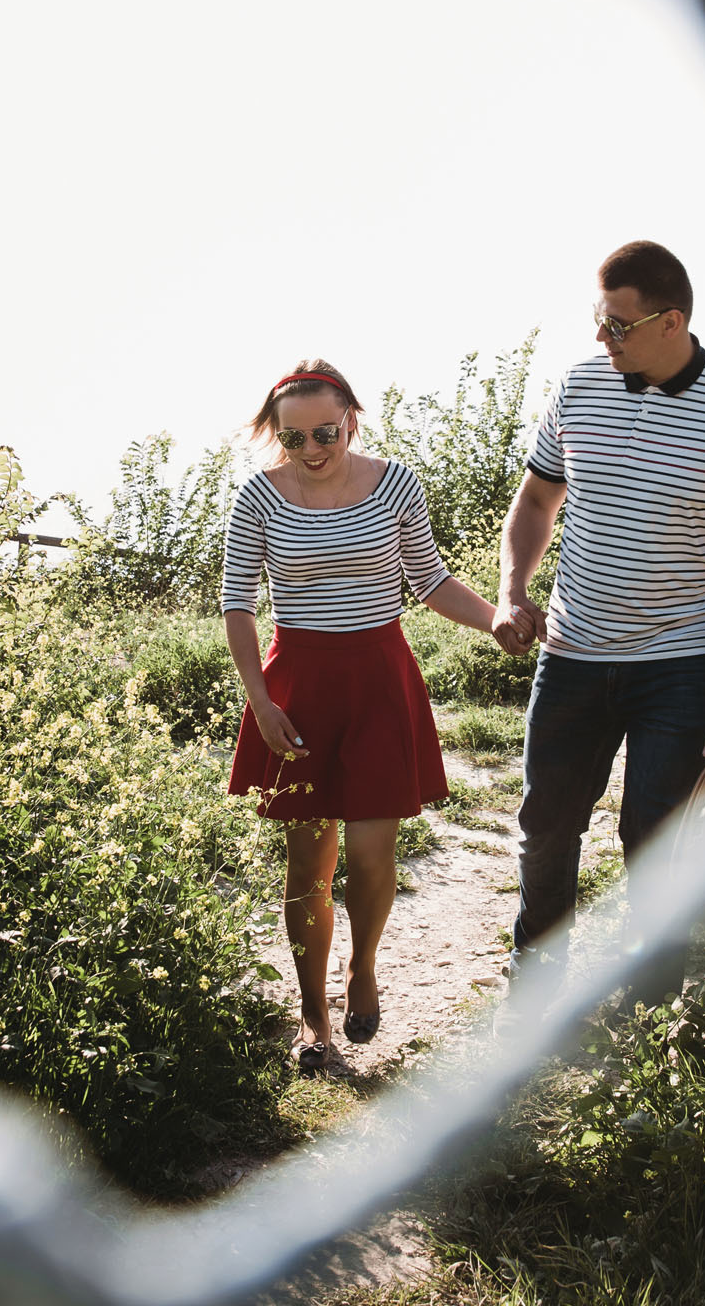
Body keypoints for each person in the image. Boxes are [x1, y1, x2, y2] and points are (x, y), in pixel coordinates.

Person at [493, 241, 705, 1001]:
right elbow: (535, 502)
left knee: (655, 844)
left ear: (672, 322)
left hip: (681, 665)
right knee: (547, 828)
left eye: (618, 324)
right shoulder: (581, 387)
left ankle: (653, 1014)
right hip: (571, 652)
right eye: (599, 319)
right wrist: (512, 590)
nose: (602, 338)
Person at [222, 359, 508, 1074]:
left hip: (380, 681)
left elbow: (432, 581)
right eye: (293, 439)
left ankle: (364, 966)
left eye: (326, 432)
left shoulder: (396, 483)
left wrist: (498, 619)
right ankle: (312, 1013)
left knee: (374, 856)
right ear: (275, 438)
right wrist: (260, 701)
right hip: (296, 689)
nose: (312, 449)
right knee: (307, 863)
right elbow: (237, 604)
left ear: (350, 417)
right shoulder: (258, 497)